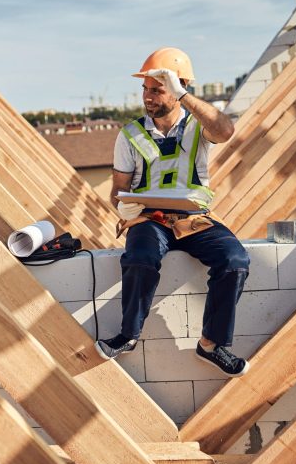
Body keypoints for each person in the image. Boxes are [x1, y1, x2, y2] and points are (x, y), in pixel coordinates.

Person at [95, 47, 250, 377]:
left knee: (235, 261)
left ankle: (211, 344)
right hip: (150, 219)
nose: (147, 97)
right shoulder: (130, 135)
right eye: (145, 89)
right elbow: (116, 191)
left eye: (157, 89)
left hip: (194, 219)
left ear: (179, 87)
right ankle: (129, 335)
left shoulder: (199, 126)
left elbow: (225, 131)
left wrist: (185, 96)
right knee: (139, 258)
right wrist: (123, 206)